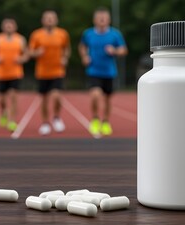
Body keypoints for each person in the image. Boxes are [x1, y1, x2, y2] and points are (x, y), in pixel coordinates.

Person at [79, 7, 127, 137]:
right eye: (100, 18)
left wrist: (115, 51)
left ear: (108, 19)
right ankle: (95, 119)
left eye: (104, 18)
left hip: (109, 72)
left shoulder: (115, 34)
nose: (102, 20)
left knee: (107, 99)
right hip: (94, 70)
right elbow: (82, 46)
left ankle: (105, 122)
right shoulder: (88, 33)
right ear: (95, 19)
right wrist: (84, 56)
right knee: (95, 95)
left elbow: (123, 50)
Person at [29, 10, 71, 136]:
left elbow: (67, 48)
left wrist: (65, 58)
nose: (49, 20)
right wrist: (37, 53)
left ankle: (56, 117)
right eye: (47, 18)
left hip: (57, 70)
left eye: (52, 18)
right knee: (44, 99)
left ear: (56, 20)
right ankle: (45, 123)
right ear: (42, 20)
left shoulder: (62, 34)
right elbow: (30, 52)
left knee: (57, 96)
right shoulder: (36, 35)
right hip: (42, 72)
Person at [0, 18, 28, 132]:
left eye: (11, 25)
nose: (9, 27)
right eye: (6, 25)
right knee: (2, 100)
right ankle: (3, 113)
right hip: (1, 73)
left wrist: (21, 59)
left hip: (16, 73)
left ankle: (12, 121)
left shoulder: (20, 39)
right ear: (3, 27)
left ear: (15, 27)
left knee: (14, 97)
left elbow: (26, 54)